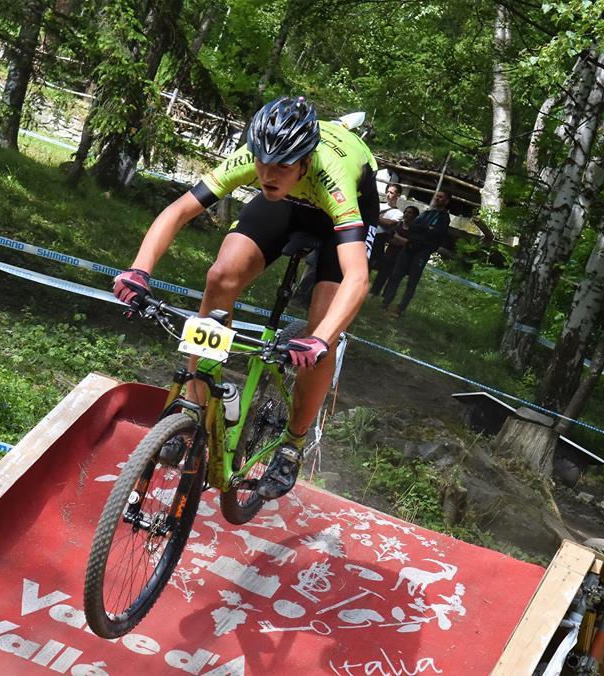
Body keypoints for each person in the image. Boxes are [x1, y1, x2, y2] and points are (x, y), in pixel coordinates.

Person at [113, 95, 378, 500]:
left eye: (281, 167)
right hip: (289, 204)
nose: (268, 175)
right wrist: (138, 268)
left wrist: (320, 339)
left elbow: (357, 279)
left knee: (326, 322)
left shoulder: (334, 176)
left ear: (305, 161)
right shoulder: (254, 161)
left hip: (344, 209)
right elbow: (179, 211)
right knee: (220, 276)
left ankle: (292, 445)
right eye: (262, 164)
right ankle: (194, 405)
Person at [380, 190, 452, 317]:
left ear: (446, 201)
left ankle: (399, 308)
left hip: (423, 252)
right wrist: (426, 228)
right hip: (409, 247)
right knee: (396, 275)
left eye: (441, 197)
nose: (437, 198)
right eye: (437, 196)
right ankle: (385, 302)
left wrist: (424, 229)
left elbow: (436, 234)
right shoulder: (426, 213)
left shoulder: (444, 218)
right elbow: (413, 226)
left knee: (412, 281)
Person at [369, 205, 418, 296]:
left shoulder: (414, 230)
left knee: (393, 278)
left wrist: (398, 238)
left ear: (415, 216)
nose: (406, 214)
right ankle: (374, 293)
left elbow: (410, 243)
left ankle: (386, 298)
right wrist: (400, 241)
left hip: (401, 257)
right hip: (389, 254)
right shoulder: (398, 225)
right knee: (381, 275)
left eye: (410, 212)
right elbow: (389, 237)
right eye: (406, 212)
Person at [369, 183, 404, 268]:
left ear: (398, 195)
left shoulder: (399, 213)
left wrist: (373, 216)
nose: (388, 195)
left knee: (369, 265)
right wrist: (380, 219)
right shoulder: (379, 204)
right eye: (387, 192)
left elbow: (389, 224)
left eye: (391, 193)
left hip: (379, 240)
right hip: (368, 234)